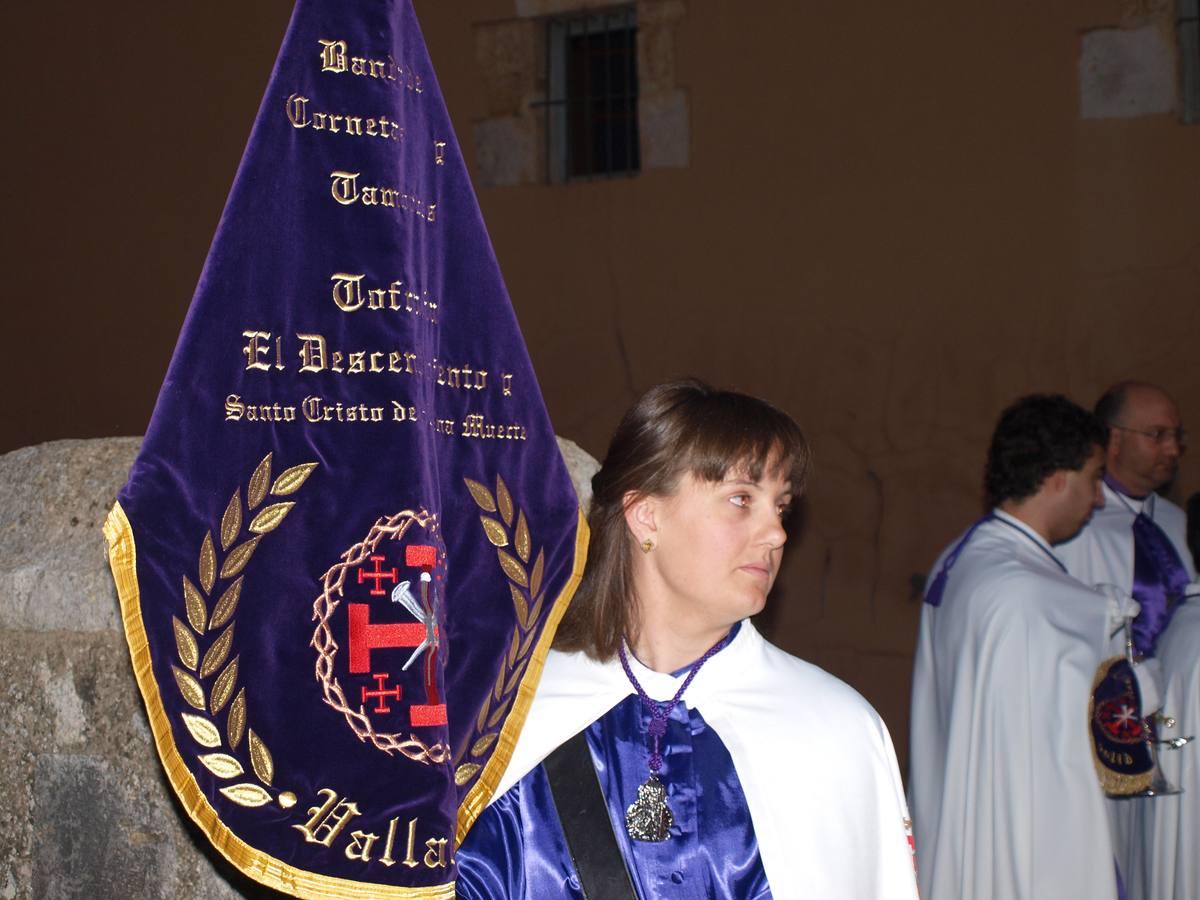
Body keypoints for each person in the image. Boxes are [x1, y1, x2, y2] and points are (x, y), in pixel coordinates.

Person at [455, 380, 919, 899]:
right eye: (741, 499)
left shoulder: (835, 730)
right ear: (646, 514)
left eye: (780, 506)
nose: (777, 533)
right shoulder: (512, 712)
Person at [909, 394, 1124, 900]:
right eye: (1095, 477)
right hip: (1024, 853)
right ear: (1057, 478)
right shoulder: (1028, 595)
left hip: (960, 830)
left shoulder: (963, 557)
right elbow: (1058, 764)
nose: (1099, 498)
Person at [1054, 382, 1195, 898]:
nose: (1173, 450)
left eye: (1177, 437)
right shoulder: (1075, 530)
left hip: (1180, 730)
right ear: (1113, 440)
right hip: (1105, 737)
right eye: (1157, 435)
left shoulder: (1181, 525)